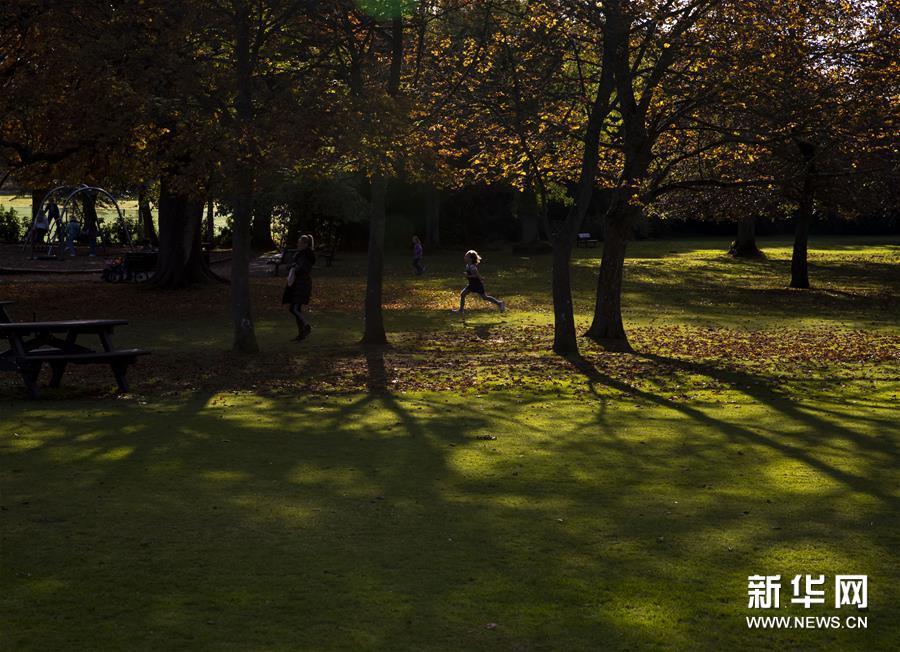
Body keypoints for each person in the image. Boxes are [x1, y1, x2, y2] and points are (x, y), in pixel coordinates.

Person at [282, 234, 316, 341]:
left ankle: (306, 326)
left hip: (302, 283)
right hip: (298, 283)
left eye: (300, 242)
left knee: (295, 308)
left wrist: (292, 266)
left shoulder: (306, 256)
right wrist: (292, 266)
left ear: (305, 244)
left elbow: (300, 268)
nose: (298, 244)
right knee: (295, 308)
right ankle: (301, 334)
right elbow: (293, 266)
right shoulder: (300, 255)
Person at [452, 249, 505, 313]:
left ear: (471, 259)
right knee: (463, 294)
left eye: (466, 256)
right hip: (471, 284)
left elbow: (477, 276)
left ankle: (499, 303)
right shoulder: (467, 266)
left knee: (485, 297)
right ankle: (461, 310)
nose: (464, 257)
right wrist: (468, 275)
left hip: (477, 284)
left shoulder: (472, 267)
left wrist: (468, 276)